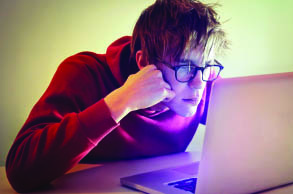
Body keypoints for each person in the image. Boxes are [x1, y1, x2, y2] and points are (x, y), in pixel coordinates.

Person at [6, 0, 228, 192]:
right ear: (145, 63)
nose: (199, 84)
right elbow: (20, 172)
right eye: (186, 66)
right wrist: (120, 102)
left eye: (207, 66)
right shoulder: (83, 73)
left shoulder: (204, 81)